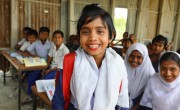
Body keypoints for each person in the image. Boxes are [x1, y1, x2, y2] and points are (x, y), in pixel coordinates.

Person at [52, 4, 129, 110]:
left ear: (111, 36)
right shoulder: (69, 61)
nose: (93, 37)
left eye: (100, 31)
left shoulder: (118, 63)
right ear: (79, 37)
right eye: (86, 32)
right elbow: (58, 99)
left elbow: (123, 101)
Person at [124, 43, 155, 110]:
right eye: (131, 56)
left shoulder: (150, 75)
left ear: (144, 58)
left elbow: (146, 96)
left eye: (139, 57)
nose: (134, 60)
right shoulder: (121, 69)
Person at [25, 26, 52, 95]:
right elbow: (27, 51)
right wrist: (34, 56)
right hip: (38, 64)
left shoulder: (51, 44)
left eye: (46, 34)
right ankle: (30, 93)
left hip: (47, 65)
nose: (44, 35)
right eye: (42, 33)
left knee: (35, 75)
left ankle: (40, 94)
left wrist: (47, 66)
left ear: (48, 35)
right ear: (39, 35)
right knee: (30, 74)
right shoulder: (36, 43)